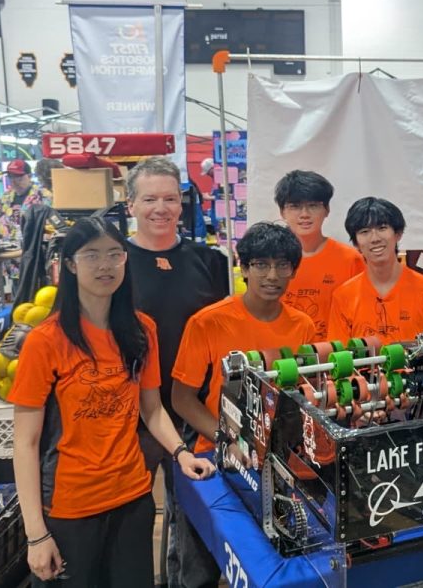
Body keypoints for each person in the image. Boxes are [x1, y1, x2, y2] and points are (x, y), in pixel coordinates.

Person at [9, 217, 215, 587]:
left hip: (132, 498)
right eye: (91, 255)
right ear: (70, 265)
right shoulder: (45, 341)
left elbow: (151, 408)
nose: (104, 265)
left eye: (114, 254)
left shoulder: (141, 330)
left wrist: (182, 453)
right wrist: (36, 534)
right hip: (69, 507)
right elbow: (25, 442)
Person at [171, 222, 316, 587]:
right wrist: (228, 438)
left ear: (294, 270)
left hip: (277, 466)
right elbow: (181, 399)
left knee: (270, 569)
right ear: (244, 268)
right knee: (198, 574)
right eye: (261, 265)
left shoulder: (302, 326)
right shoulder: (207, 322)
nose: (272, 276)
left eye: (282, 265)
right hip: (213, 461)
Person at [123, 156, 231, 585]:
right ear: (131, 204)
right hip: (131, 414)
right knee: (131, 517)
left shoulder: (208, 261)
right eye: (150, 199)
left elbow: (222, 330)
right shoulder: (115, 263)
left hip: (192, 410)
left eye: (170, 199)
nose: (161, 208)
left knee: (188, 518)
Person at [327, 197, 423, 345]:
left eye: (382, 228)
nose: (375, 238)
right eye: (364, 231)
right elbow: (339, 354)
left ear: (398, 234)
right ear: (356, 243)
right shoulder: (343, 296)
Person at [275, 170, 364, 340]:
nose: (304, 214)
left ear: (327, 210)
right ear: (282, 212)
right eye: (295, 206)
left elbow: (361, 314)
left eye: (313, 205)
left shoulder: (350, 259)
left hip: (336, 353)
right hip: (283, 353)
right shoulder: (270, 261)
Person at [0, 159, 44, 244]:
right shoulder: (6, 197)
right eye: (10, 176)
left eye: (18, 177)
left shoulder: (41, 196)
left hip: (32, 245)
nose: (14, 181)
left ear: (29, 176)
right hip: (7, 245)